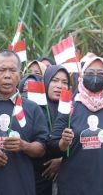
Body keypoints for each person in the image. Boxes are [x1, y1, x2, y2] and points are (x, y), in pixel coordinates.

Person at [48, 56, 103, 195]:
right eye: (90, 72)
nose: (95, 77)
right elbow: (51, 145)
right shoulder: (69, 107)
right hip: (72, 187)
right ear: (82, 76)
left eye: (101, 74)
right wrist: (63, 143)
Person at [0, 50, 48, 195]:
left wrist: (25, 145)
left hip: (21, 186)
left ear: (20, 74)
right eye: (2, 70)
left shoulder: (32, 108)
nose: (7, 75)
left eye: (12, 70)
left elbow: (42, 148)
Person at [34, 65, 71, 195]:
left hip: (66, 175)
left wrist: (62, 161)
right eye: (54, 80)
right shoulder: (34, 107)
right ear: (46, 81)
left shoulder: (74, 108)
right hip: (37, 174)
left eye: (64, 82)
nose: (59, 85)